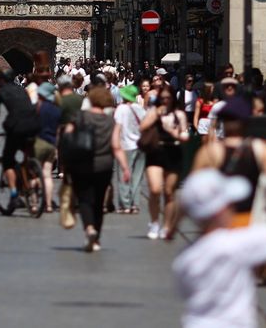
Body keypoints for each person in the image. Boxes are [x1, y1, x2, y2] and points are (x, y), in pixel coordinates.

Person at [174, 169, 266, 328]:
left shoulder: (185, 257)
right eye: (230, 204)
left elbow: (184, 291)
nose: (234, 208)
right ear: (219, 211)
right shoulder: (233, 245)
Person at [192, 96, 266, 228]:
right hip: (253, 226)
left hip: (219, 227)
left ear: (222, 122)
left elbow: (192, 192)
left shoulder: (209, 152)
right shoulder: (262, 149)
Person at [66, 88, 130, 252]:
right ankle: (96, 240)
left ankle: (89, 229)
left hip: (82, 164)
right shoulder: (111, 121)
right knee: (99, 201)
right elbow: (116, 146)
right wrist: (124, 167)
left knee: (85, 199)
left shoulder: (81, 117)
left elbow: (67, 135)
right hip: (105, 165)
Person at [0, 68, 41, 214]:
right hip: (34, 126)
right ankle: (33, 181)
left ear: (2, 80)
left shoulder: (2, 92)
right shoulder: (22, 90)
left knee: (8, 160)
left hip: (16, 127)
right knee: (27, 155)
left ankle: (14, 195)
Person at [141, 86, 190, 240]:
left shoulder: (179, 115)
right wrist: (155, 115)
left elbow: (185, 135)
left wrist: (172, 131)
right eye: (162, 98)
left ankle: (167, 225)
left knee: (169, 192)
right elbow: (142, 127)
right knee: (155, 189)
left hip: (173, 152)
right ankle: (154, 223)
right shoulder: (153, 112)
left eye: (168, 98)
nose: (165, 101)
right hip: (155, 152)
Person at [113, 84, 146, 214]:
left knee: (123, 175)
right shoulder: (140, 109)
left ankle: (125, 204)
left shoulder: (121, 109)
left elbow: (118, 127)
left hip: (125, 146)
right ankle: (135, 204)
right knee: (137, 177)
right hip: (140, 146)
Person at [33, 81, 61, 216]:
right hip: (51, 144)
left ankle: (34, 204)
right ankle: (49, 205)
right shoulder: (57, 110)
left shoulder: (37, 107)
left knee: (34, 174)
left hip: (38, 142)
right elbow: (59, 130)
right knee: (47, 174)